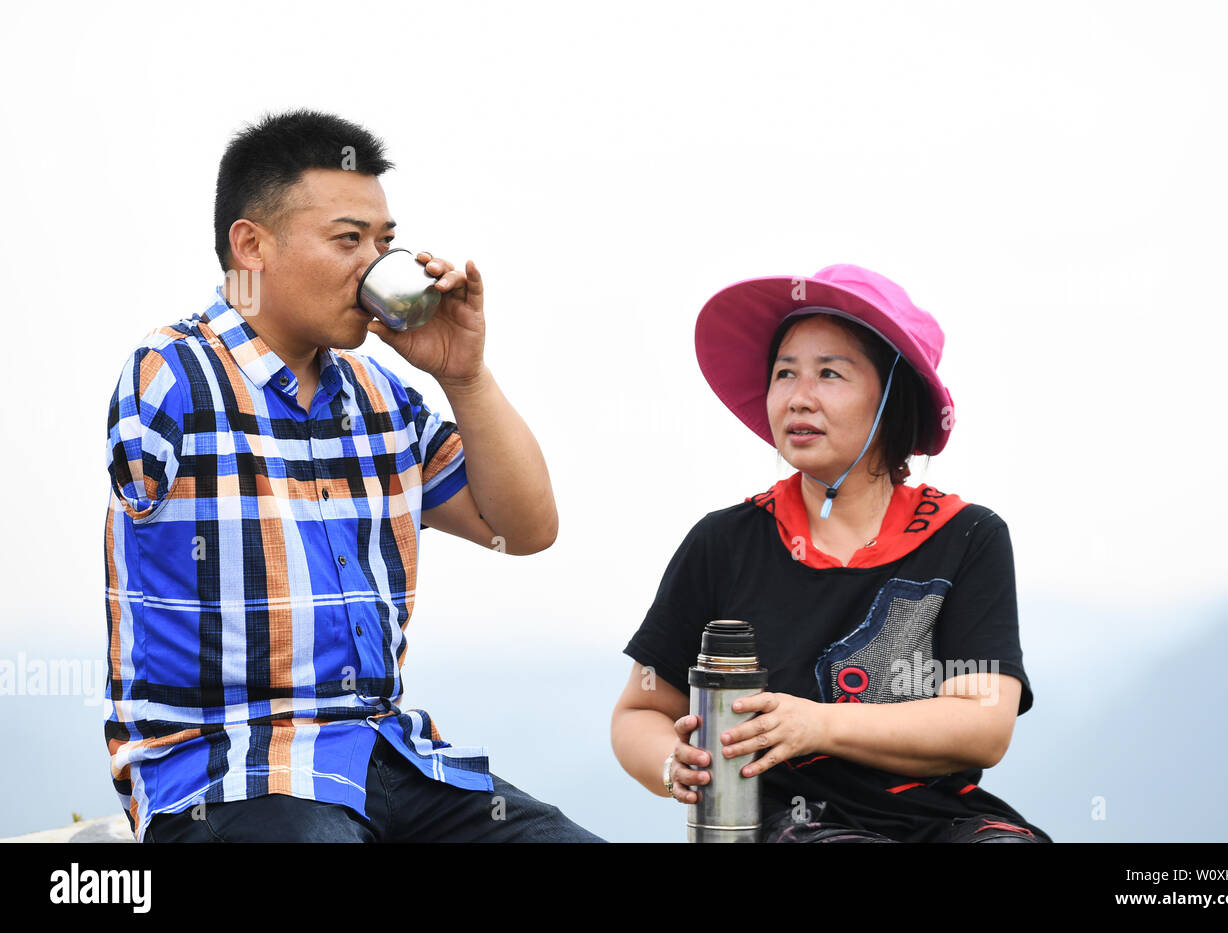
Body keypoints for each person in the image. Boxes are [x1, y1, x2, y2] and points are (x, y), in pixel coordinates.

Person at [103, 108, 601, 842]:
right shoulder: (173, 371)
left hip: (383, 757)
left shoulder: (382, 398)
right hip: (224, 773)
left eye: (384, 243)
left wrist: (464, 374)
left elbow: (524, 530)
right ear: (251, 246)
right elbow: (136, 460)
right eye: (348, 239)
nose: (375, 265)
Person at [610, 264, 1050, 843]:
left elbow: (982, 727)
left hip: (944, 819)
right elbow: (640, 711)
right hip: (785, 823)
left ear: (892, 397)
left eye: (829, 374)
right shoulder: (724, 543)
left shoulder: (966, 536)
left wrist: (816, 724)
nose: (799, 397)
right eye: (785, 373)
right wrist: (672, 764)